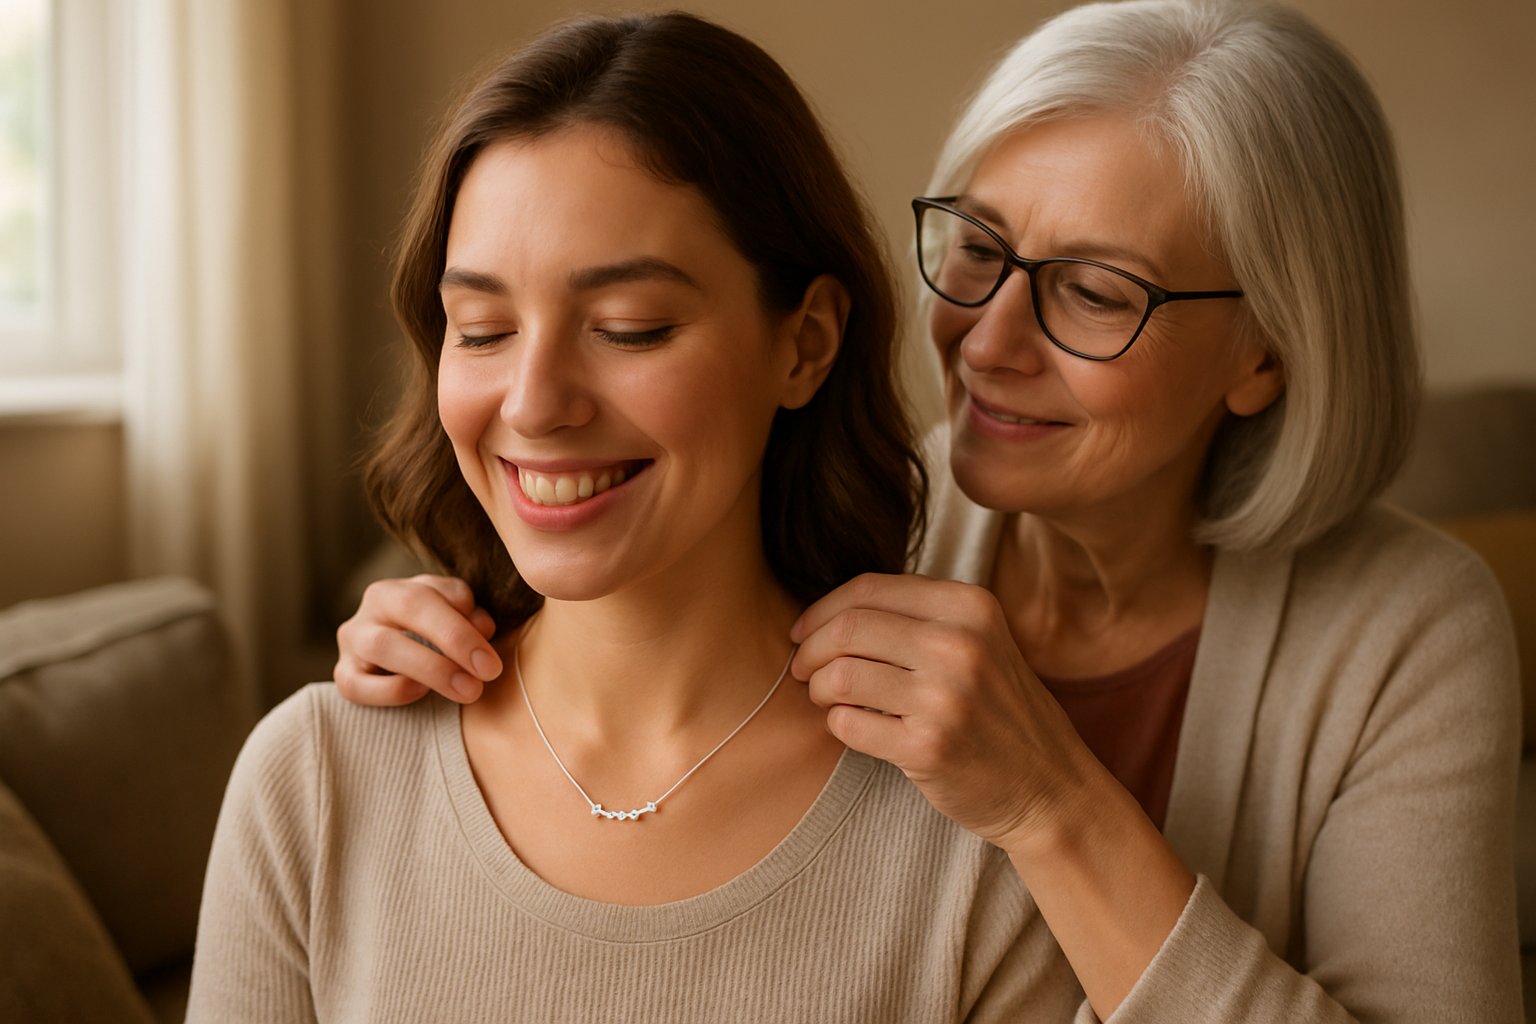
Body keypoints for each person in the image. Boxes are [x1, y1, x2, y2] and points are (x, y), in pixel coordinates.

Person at [333, 1, 1525, 1021]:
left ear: (1264, 353)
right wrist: (452, 615)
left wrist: (1052, 804)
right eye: (978, 252)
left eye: (1095, 293)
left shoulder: (1408, 634)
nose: (988, 342)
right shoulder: (856, 518)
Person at [187, 11, 1087, 1022]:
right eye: (481, 330)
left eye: (630, 328)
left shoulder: (966, 825)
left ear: (805, 343)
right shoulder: (315, 780)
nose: (533, 402)